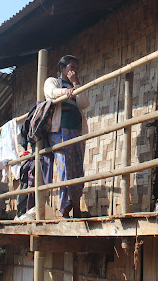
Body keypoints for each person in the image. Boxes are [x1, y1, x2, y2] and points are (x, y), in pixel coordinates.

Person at [43, 55, 90, 218]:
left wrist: (76, 84)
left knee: (77, 169)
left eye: (77, 68)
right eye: (72, 67)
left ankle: (76, 206)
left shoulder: (75, 85)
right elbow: (50, 93)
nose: (74, 70)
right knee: (65, 167)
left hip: (77, 130)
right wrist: (66, 91)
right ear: (62, 68)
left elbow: (84, 103)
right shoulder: (54, 82)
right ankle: (65, 208)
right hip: (60, 130)